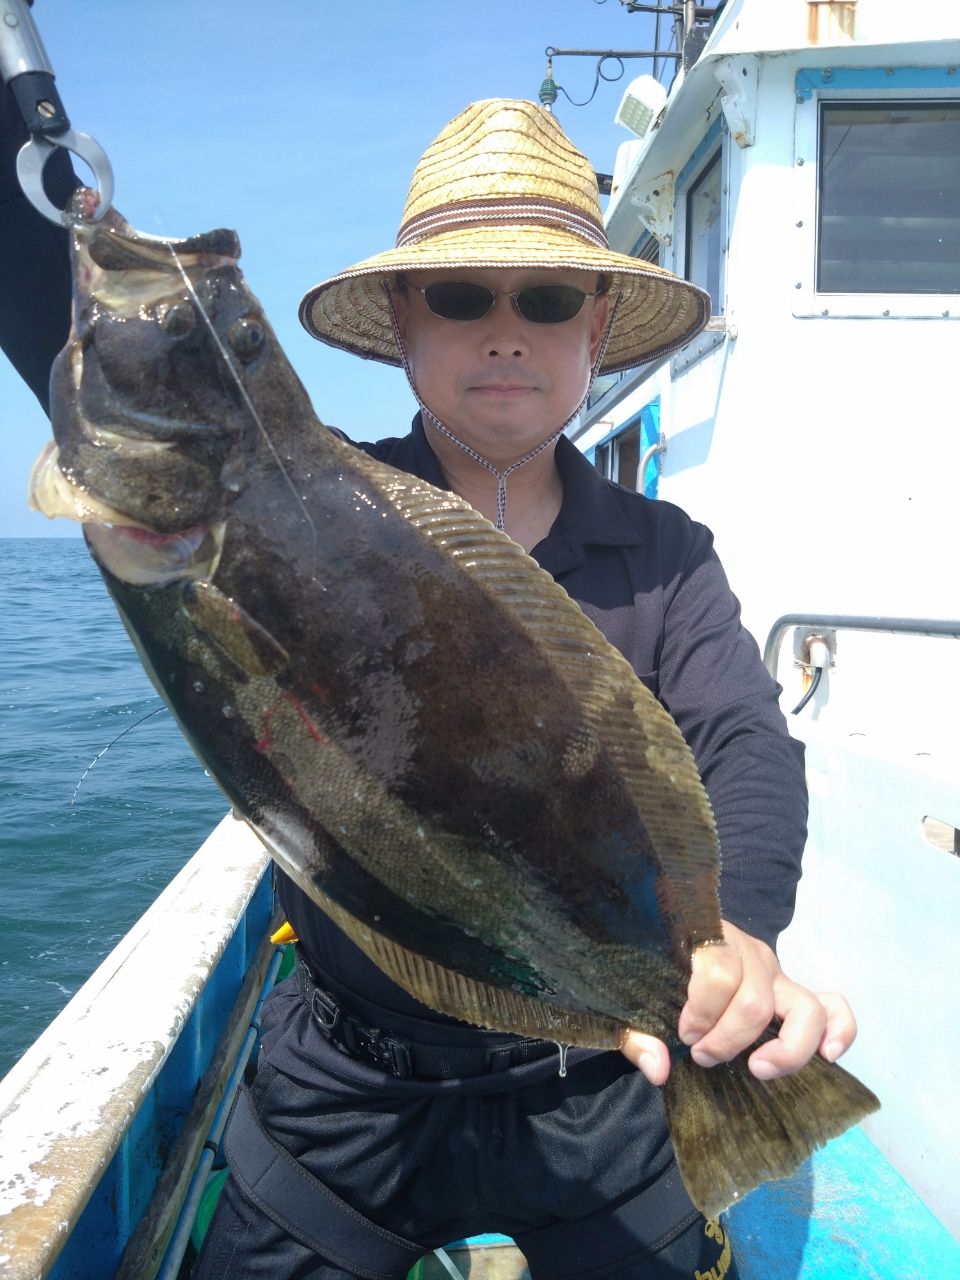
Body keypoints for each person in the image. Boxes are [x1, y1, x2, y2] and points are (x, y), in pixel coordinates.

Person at [0, 89, 857, 1279]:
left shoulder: (668, 555)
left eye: (547, 299)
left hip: (603, 1076)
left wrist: (741, 932)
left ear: (595, 328)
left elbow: (747, 744)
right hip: (351, 1076)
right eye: (462, 297)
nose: (507, 331)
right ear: (403, 321)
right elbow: (107, 374)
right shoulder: (303, 498)